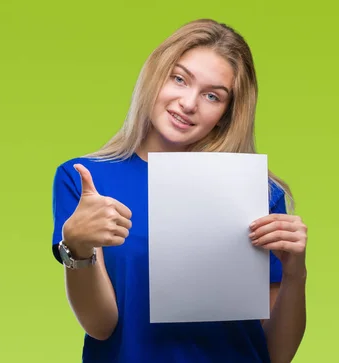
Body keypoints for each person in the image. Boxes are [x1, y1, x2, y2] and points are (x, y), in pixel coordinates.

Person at [50, 18, 308, 363]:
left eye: (212, 95)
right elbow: (100, 326)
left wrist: (295, 273)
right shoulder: (86, 181)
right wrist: (78, 248)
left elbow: (277, 354)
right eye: (179, 78)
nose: (188, 103)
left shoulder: (254, 191)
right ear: (155, 76)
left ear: (226, 114)